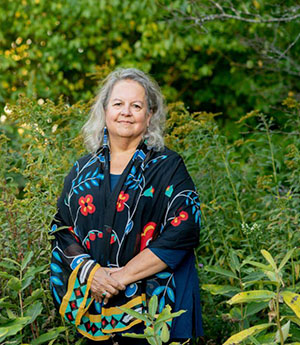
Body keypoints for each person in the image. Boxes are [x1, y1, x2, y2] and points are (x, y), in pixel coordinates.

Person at [49, 68, 203, 344]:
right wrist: (91, 274)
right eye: (118, 104)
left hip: (155, 307)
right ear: (105, 110)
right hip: (95, 300)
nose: (126, 112)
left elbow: (185, 230)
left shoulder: (168, 166)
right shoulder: (82, 169)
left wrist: (118, 278)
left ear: (150, 114)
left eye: (136, 105)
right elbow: (62, 228)